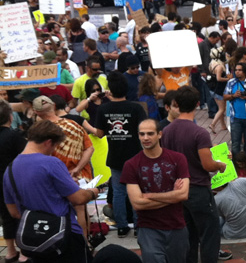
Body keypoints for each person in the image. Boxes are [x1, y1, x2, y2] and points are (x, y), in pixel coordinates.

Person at [2, 121, 99, 263]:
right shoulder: (51, 163)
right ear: (48, 142)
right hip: (64, 236)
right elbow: (78, 198)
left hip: (34, 239)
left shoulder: (9, 169)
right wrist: (93, 192)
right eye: (55, 146)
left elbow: (14, 212)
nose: (54, 151)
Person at [161, 86, 231, 263]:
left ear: (176, 104)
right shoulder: (199, 132)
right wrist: (220, 165)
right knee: (209, 233)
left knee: (188, 234)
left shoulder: (167, 130)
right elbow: (207, 165)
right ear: (198, 104)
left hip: (177, 189)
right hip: (198, 188)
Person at [122, 119, 190, 263]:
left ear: (159, 134)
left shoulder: (178, 158)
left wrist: (151, 196)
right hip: (148, 228)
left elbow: (183, 194)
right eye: (142, 134)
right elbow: (138, 204)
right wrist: (172, 196)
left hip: (176, 225)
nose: (145, 138)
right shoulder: (131, 164)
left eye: (150, 133)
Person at [92, 71, 148, 237]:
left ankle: (122, 226)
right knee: (138, 191)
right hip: (136, 156)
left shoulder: (104, 109)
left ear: (110, 89)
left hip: (115, 157)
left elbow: (100, 133)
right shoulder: (136, 108)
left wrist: (87, 126)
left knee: (118, 192)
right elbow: (144, 131)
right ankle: (139, 226)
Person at [0, 101, 26, 263]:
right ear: (10, 117)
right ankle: (24, 251)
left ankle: (10, 252)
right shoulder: (14, 136)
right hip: (13, 181)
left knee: (5, 215)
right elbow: (26, 157)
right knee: (21, 215)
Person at [222, 62, 246, 156]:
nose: (237, 72)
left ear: (245, 71)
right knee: (235, 143)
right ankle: (236, 164)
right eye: (236, 70)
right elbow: (224, 96)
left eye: (240, 70)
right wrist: (233, 95)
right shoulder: (231, 82)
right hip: (235, 117)